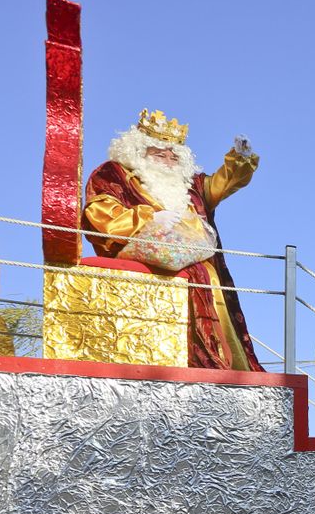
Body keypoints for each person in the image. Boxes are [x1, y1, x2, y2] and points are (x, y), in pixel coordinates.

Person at [82, 109, 263, 370]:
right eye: (159, 153)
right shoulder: (114, 175)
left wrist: (240, 158)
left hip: (199, 268)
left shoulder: (191, 187)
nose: (168, 159)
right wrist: (147, 219)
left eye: (173, 155)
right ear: (138, 152)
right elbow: (99, 213)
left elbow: (223, 184)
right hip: (144, 266)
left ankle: (225, 365)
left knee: (207, 279)